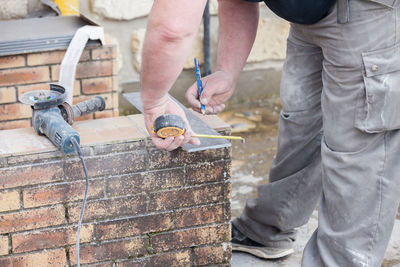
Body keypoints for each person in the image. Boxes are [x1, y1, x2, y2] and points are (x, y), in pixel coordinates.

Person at [140, 0, 400, 266]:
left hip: (370, 12)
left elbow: (171, 29)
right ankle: (269, 228)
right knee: (302, 122)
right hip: (310, 12)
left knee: (358, 147)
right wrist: (227, 71)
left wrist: (155, 102)